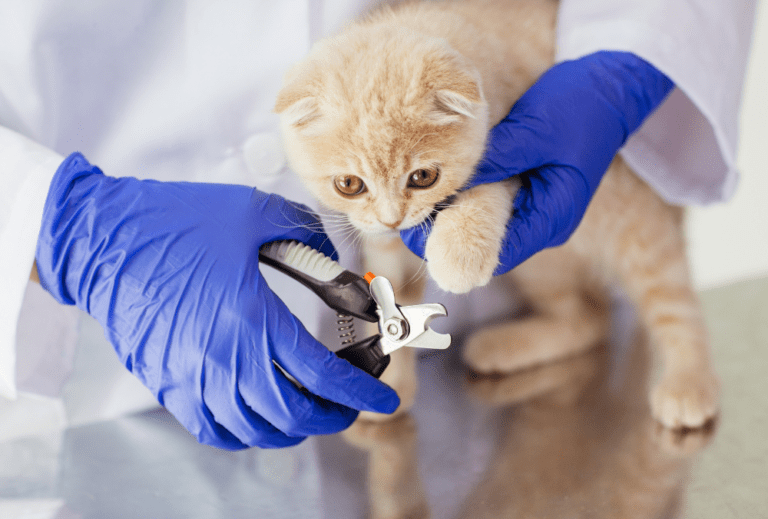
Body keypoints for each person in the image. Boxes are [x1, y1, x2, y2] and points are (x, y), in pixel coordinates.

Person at [0, 0, 755, 455]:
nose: (392, 210)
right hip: (86, 391)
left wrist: (638, 44)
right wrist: (55, 220)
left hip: (501, 390)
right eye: (361, 188)